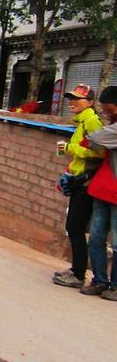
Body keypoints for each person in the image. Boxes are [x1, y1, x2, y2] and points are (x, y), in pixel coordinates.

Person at [52, 84, 104, 288]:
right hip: (78, 180)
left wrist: (70, 148)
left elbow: (100, 152)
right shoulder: (82, 121)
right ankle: (76, 270)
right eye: (70, 98)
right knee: (73, 226)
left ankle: (78, 273)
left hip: (86, 183)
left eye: (77, 99)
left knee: (75, 226)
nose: (72, 102)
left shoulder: (91, 121)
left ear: (90, 102)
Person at [78, 86, 117, 300]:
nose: (105, 113)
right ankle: (100, 281)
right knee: (96, 238)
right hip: (103, 190)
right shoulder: (110, 126)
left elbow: (92, 139)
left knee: (116, 243)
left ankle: (115, 285)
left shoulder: (112, 129)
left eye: (109, 109)